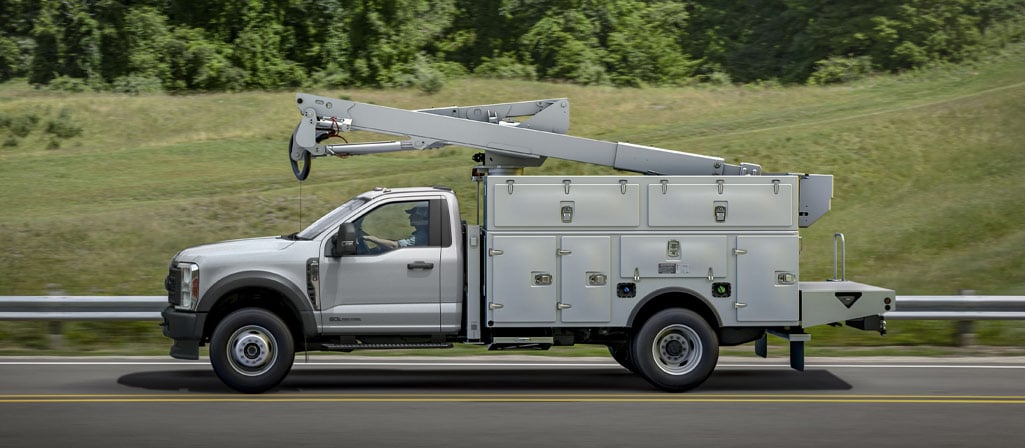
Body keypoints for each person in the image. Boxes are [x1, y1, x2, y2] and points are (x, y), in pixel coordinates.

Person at [363, 204, 429, 250]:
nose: (410, 217)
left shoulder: (422, 235)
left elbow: (395, 246)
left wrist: (371, 238)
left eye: (414, 215)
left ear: (423, 218)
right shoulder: (423, 233)